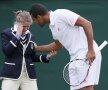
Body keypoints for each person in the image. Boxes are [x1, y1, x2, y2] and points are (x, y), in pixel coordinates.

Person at [29, 3, 102, 90]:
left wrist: (90, 50)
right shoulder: (52, 27)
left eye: (34, 20)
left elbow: (87, 24)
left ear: (39, 17)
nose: (35, 23)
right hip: (74, 58)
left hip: (86, 52)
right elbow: (57, 46)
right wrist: (36, 48)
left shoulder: (60, 14)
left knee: (87, 87)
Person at [0, 10, 56, 90]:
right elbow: (7, 51)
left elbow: (31, 57)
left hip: (28, 76)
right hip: (11, 74)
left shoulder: (31, 36)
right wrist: (17, 36)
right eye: (24, 26)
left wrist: (46, 57)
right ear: (18, 24)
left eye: (28, 26)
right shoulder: (6, 33)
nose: (26, 29)